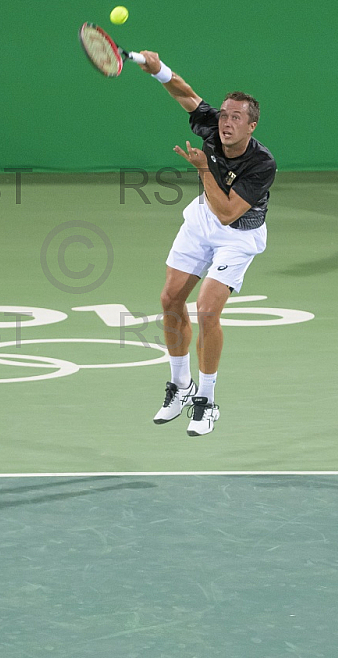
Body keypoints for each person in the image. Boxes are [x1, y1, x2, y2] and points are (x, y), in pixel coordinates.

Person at [139, 50, 277, 436]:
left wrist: (203, 168)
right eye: (224, 115)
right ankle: (181, 388)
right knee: (169, 300)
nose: (226, 122)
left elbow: (229, 213)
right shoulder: (213, 129)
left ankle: (207, 400)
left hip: (238, 234)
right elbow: (186, 95)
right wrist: (157, 70)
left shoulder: (262, 164)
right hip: (201, 221)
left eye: (236, 117)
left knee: (208, 310)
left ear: (251, 126)